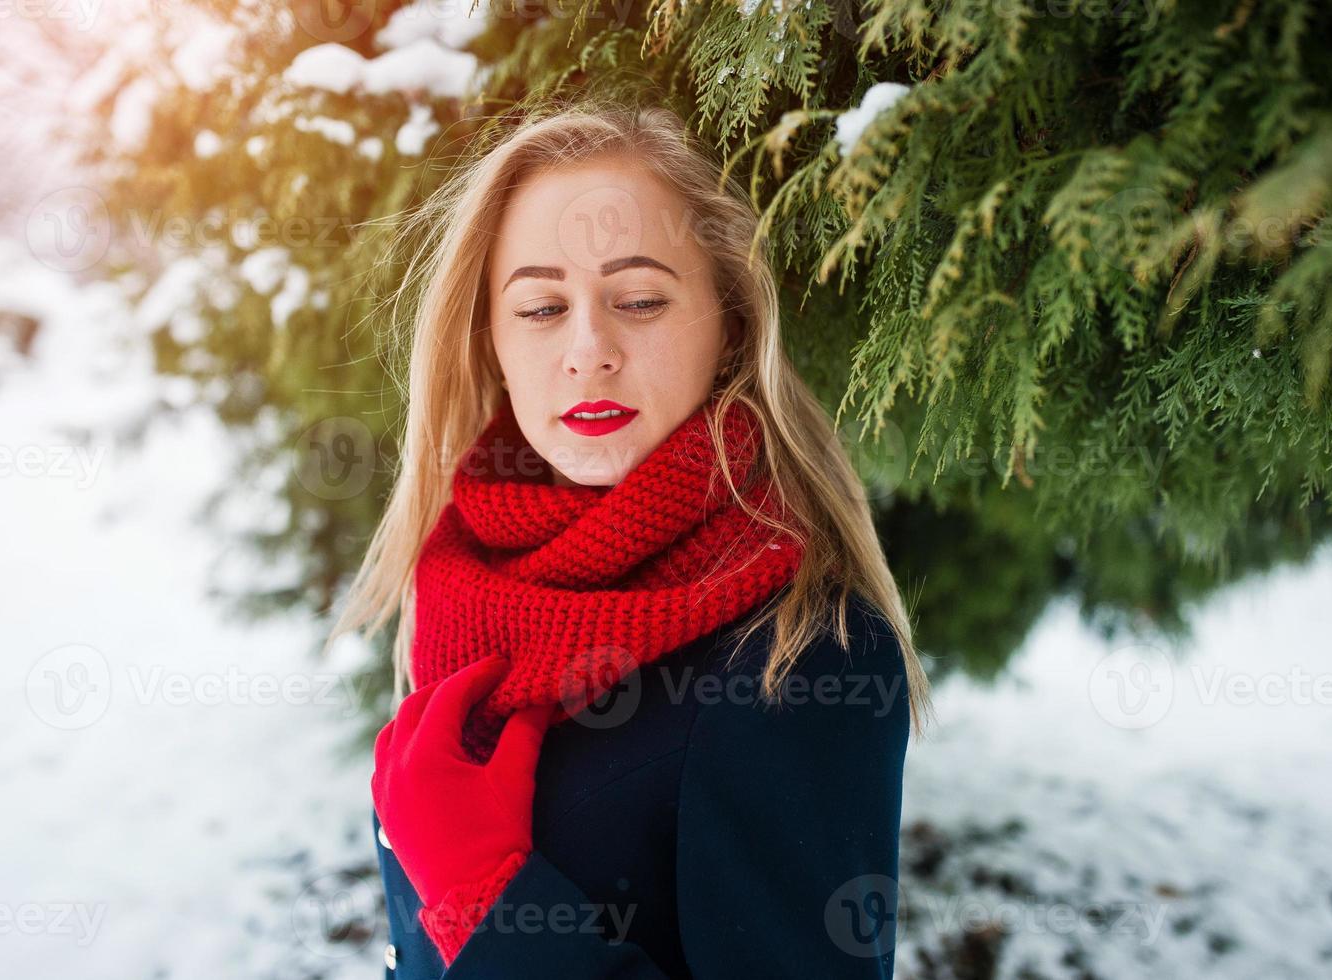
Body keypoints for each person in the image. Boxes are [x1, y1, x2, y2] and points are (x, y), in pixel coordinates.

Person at [331, 99, 933, 979]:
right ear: (489, 338)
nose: (588, 350)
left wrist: (487, 902)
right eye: (539, 308)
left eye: (641, 299)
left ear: (730, 327)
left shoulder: (803, 656)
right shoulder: (463, 579)